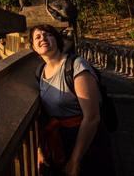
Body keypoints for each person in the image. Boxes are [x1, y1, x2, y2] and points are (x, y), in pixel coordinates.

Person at [30, 24, 115, 176]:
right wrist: (40, 148)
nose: (43, 38)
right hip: (59, 141)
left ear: (56, 39)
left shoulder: (76, 66)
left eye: (47, 34)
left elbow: (92, 117)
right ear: (34, 47)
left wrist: (75, 160)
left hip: (86, 141)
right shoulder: (40, 72)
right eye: (37, 37)